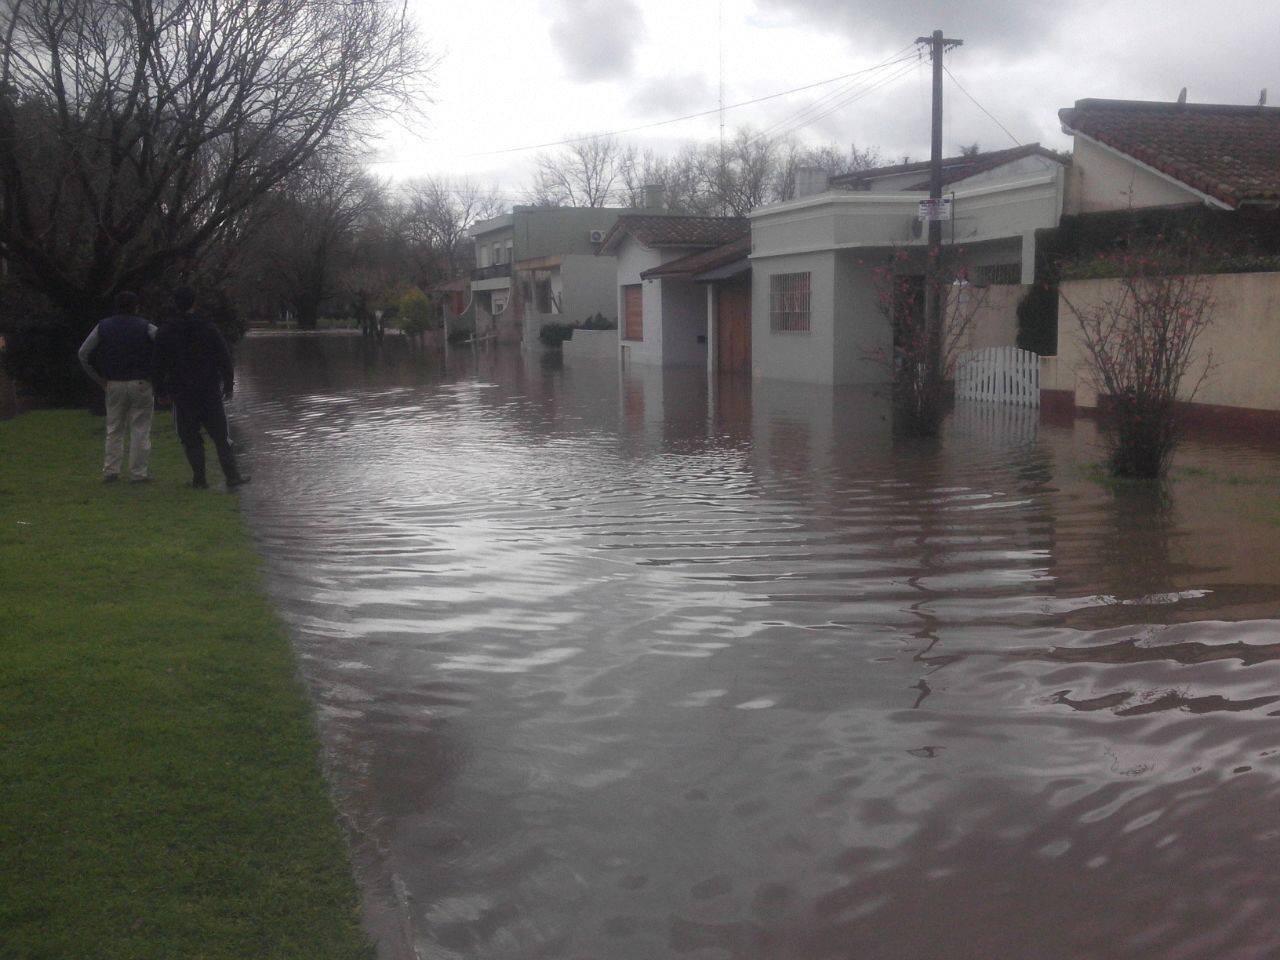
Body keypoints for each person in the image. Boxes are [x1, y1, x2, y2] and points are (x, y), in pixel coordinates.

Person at [154, 287, 249, 490]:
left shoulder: (166, 331)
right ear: (194, 304)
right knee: (221, 436)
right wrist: (229, 383)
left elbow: (158, 363)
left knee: (190, 437)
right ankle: (232, 476)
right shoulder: (208, 327)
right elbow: (224, 356)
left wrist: (160, 391)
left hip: (181, 391)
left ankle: (200, 479)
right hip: (209, 389)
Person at [78, 291, 157, 483]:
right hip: (140, 383)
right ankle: (138, 473)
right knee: (140, 428)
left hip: (113, 383)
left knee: (114, 428)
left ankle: (111, 471)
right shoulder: (146, 326)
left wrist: (98, 378)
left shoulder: (103, 327)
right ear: (136, 307)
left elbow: (83, 353)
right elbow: (165, 345)